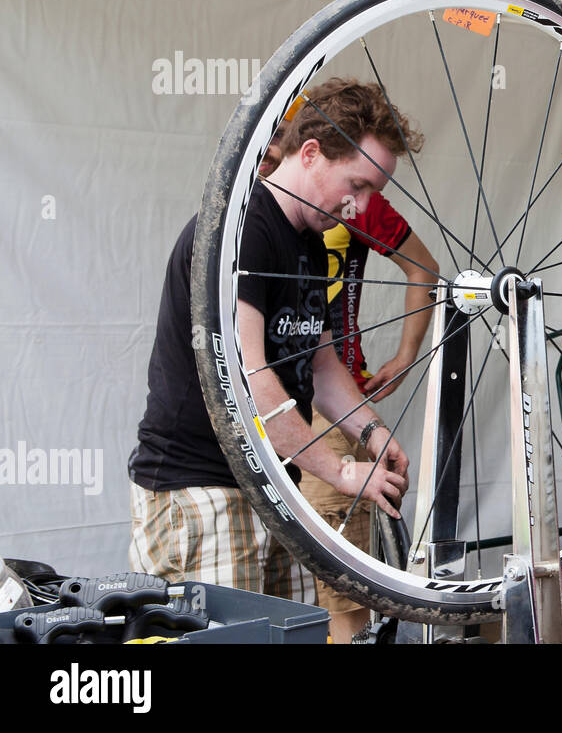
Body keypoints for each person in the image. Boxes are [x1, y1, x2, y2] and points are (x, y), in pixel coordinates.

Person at [127, 79, 422, 604]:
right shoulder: (241, 228)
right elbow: (249, 377)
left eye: (375, 191)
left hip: (271, 486)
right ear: (310, 153)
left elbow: (324, 364)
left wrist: (373, 434)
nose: (361, 207)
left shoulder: (311, 239)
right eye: (357, 185)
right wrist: (339, 470)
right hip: (203, 488)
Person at [259, 84, 440, 641]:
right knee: (267, 576)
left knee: (339, 579)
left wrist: (406, 354)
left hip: (331, 397)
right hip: (261, 402)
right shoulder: (263, 209)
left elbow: (424, 269)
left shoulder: (355, 199)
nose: (356, 201)